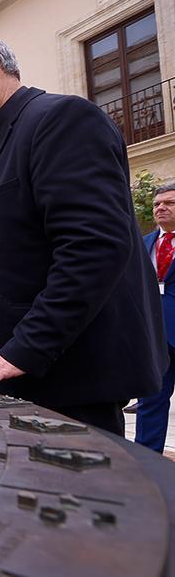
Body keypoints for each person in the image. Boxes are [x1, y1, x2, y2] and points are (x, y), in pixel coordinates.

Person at [0, 35, 165, 435]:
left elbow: (93, 247)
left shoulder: (61, 119)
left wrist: (26, 347)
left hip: (72, 372)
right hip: (29, 373)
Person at [137, 183, 175, 452]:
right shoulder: (144, 243)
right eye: (157, 204)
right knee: (151, 399)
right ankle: (146, 461)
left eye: (169, 203)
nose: (160, 207)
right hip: (154, 337)